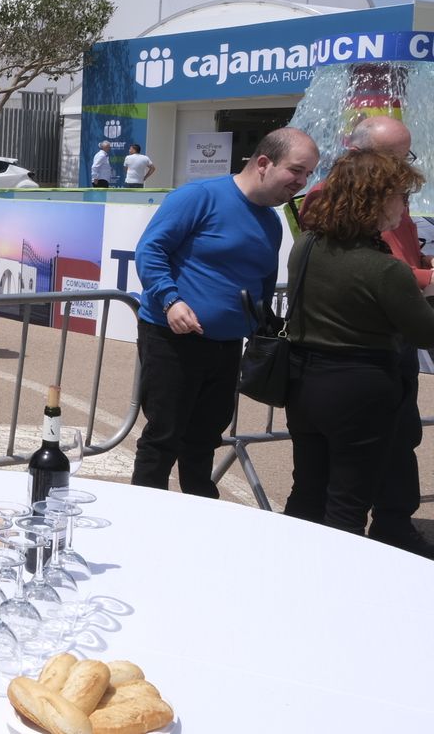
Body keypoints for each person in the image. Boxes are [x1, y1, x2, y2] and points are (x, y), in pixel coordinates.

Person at [132, 127, 320, 497]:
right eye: (296, 171)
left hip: (227, 344)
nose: (302, 182)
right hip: (173, 337)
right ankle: (144, 515)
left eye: (308, 174)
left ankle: (202, 511)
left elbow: (263, 282)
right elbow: (150, 252)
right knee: (164, 435)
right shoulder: (199, 197)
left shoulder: (271, 220)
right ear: (264, 163)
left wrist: (263, 329)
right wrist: (172, 300)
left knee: (205, 436)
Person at [302, 116, 434, 557]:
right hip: (364, 373)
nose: (406, 200)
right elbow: (406, 296)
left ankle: (302, 559)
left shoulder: (313, 246)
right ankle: (344, 572)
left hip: (316, 374)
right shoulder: (378, 264)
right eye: (399, 190)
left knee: (316, 481)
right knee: (347, 496)